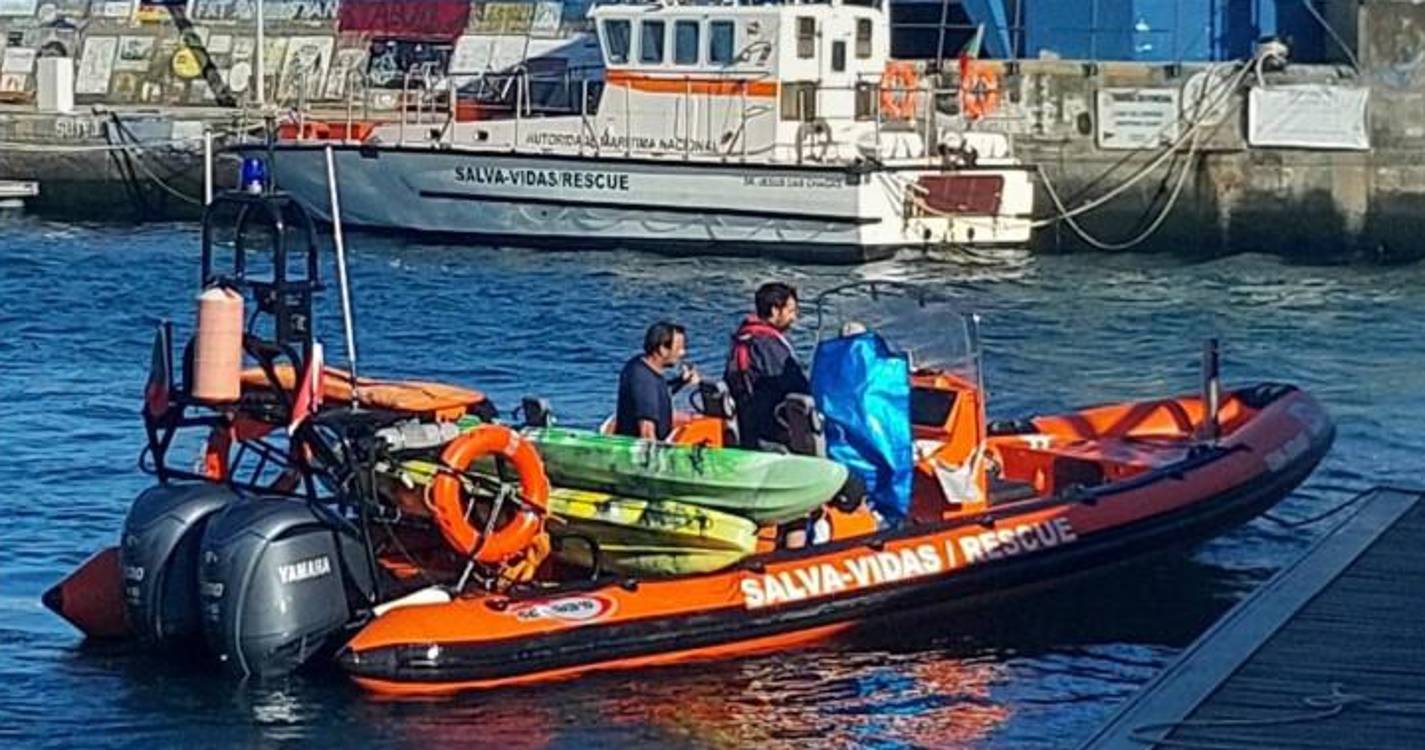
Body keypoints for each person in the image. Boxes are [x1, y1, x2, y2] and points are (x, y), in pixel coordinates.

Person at [724, 282, 809, 449]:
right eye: (791, 311)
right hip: (770, 431)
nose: (794, 318)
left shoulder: (743, 338)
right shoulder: (768, 345)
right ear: (775, 310)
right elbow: (798, 388)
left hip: (745, 425)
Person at [615, 321, 700, 440]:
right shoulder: (644, 381)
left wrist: (681, 381)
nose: (683, 353)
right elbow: (646, 431)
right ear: (662, 350)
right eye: (679, 348)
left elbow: (658, 393)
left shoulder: (640, 364)